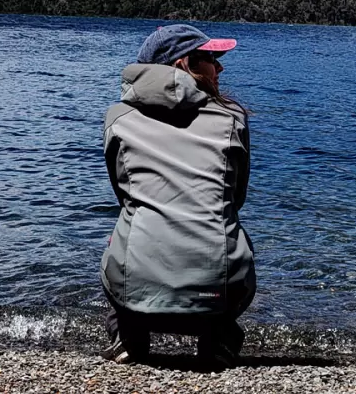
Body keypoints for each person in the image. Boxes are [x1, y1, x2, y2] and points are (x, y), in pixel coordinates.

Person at [99, 23, 256, 370]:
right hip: (218, 291)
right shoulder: (232, 119)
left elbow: (123, 196)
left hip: (134, 287)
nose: (220, 67)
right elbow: (236, 198)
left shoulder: (118, 119)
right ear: (184, 64)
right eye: (211, 57)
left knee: (128, 230)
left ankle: (127, 333)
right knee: (226, 229)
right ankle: (219, 338)